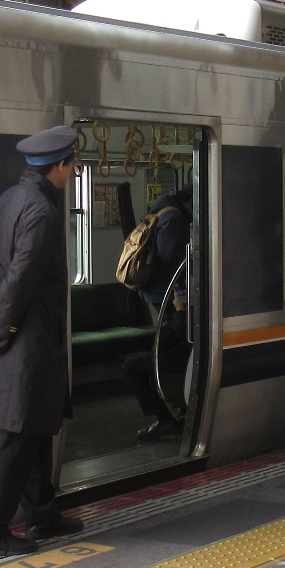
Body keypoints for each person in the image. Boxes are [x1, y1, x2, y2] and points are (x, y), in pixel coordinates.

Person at [0, 126, 85, 556]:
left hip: (9, 335)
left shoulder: (2, 204)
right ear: (59, 166)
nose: (72, 172)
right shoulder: (41, 213)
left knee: (34, 429)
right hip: (25, 342)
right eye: (71, 165)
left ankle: (42, 515)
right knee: (16, 435)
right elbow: (22, 280)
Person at [122, 179, 192, 441]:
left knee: (171, 342)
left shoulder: (159, 210)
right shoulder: (175, 219)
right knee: (177, 340)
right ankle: (181, 405)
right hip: (170, 293)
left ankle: (179, 409)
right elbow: (172, 256)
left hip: (156, 291)